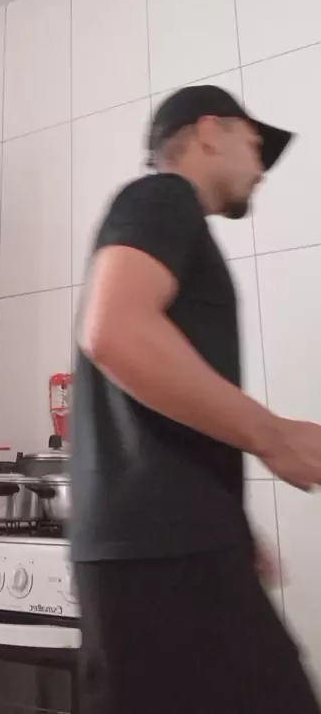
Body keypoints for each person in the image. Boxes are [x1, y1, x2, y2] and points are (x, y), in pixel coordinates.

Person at [70, 85, 321, 714]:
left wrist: (227, 519)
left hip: (176, 545)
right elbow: (114, 331)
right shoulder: (162, 196)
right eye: (255, 144)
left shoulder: (168, 215)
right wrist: (274, 436)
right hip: (162, 555)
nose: (261, 168)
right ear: (210, 132)